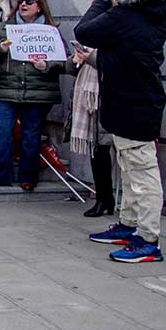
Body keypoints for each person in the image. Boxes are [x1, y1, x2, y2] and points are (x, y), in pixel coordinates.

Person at [77, 0, 166, 263]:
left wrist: (101, 1)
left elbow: (86, 31)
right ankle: (129, 224)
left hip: (133, 105)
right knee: (129, 168)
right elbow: (125, 56)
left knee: (142, 173)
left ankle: (148, 239)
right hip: (135, 100)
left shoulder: (127, 14)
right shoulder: (152, 14)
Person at [0, 0, 62, 191]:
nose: (23, 5)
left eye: (29, 1)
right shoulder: (4, 28)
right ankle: (0, 175)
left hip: (37, 91)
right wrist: (0, 49)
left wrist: (47, 65)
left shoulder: (50, 31)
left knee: (31, 135)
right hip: (5, 89)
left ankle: (28, 177)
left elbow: (63, 59)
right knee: (0, 132)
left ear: (39, 7)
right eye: (21, 1)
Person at [70, 43, 114, 217]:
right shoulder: (94, 39)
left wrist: (90, 58)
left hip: (112, 100)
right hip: (92, 104)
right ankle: (103, 199)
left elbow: (115, 64)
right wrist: (77, 59)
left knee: (119, 155)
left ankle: (109, 200)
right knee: (98, 152)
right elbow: (71, 67)